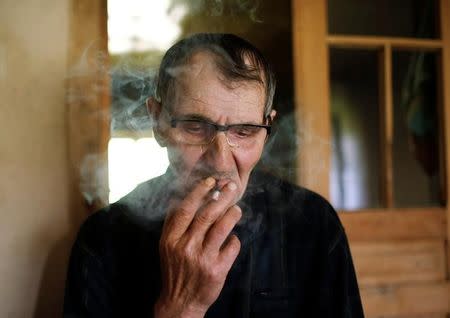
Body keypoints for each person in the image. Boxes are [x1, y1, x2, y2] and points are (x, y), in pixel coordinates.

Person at [63, 33, 364, 318]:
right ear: (157, 121)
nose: (220, 162)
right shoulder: (102, 240)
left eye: (244, 131)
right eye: (195, 127)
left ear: (267, 128)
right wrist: (181, 306)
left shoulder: (313, 224)